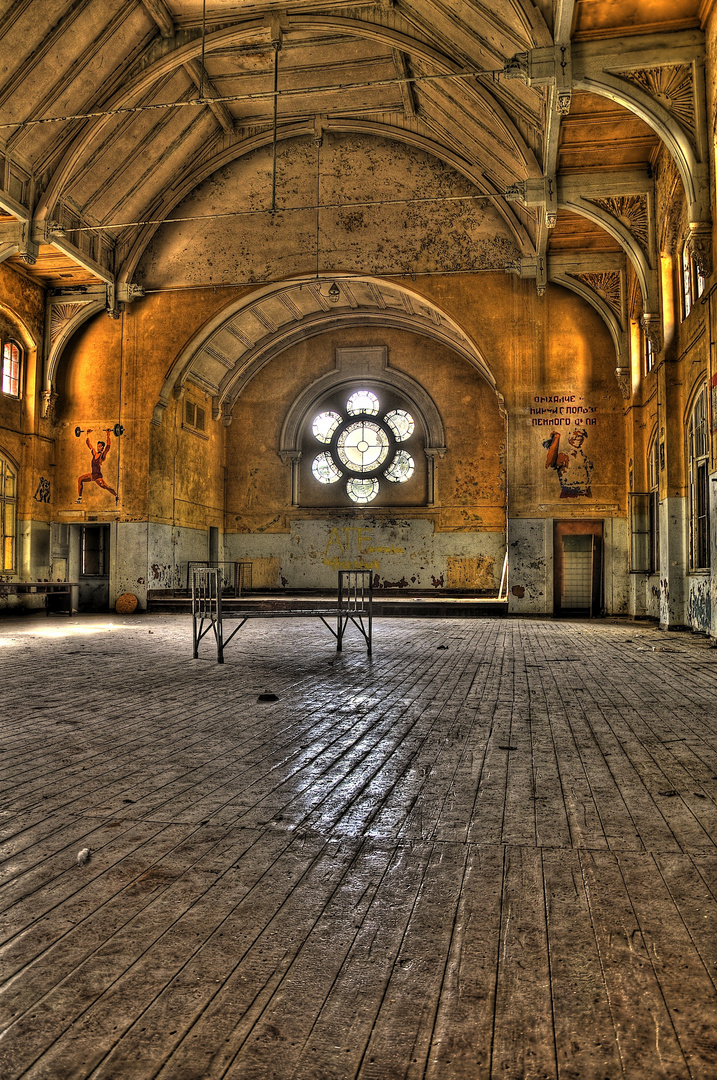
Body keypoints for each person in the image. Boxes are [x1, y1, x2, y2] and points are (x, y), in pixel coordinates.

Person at [544, 425, 593, 497]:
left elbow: (588, 487)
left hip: (584, 497)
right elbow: (549, 464)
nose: (578, 438)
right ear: (570, 439)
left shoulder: (587, 461)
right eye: (575, 435)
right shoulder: (563, 456)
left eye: (580, 436)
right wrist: (556, 438)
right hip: (567, 496)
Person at [76, 429, 118, 502]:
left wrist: (108, 435)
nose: (98, 447)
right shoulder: (95, 453)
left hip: (98, 476)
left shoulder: (102, 456)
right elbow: (89, 445)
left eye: (99, 446)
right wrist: (87, 434)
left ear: (102, 447)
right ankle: (79, 498)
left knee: (106, 487)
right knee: (80, 479)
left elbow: (108, 447)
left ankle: (116, 495)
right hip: (92, 475)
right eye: (97, 446)